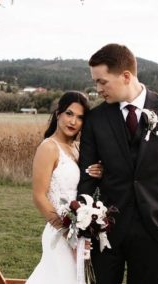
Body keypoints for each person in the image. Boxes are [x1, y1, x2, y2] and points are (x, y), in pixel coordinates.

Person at [77, 43, 158, 284]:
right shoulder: (96, 119)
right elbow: (87, 176)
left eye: (102, 81)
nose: (97, 89)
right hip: (106, 229)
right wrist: (86, 221)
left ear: (125, 76)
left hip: (156, 226)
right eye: (95, 82)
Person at [26, 91, 103, 284]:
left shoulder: (78, 148)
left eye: (80, 117)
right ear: (58, 113)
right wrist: (67, 232)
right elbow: (39, 196)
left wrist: (99, 172)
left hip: (80, 229)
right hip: (60, 231)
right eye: (69, 114)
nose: (73, 121)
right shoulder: (49, 147)